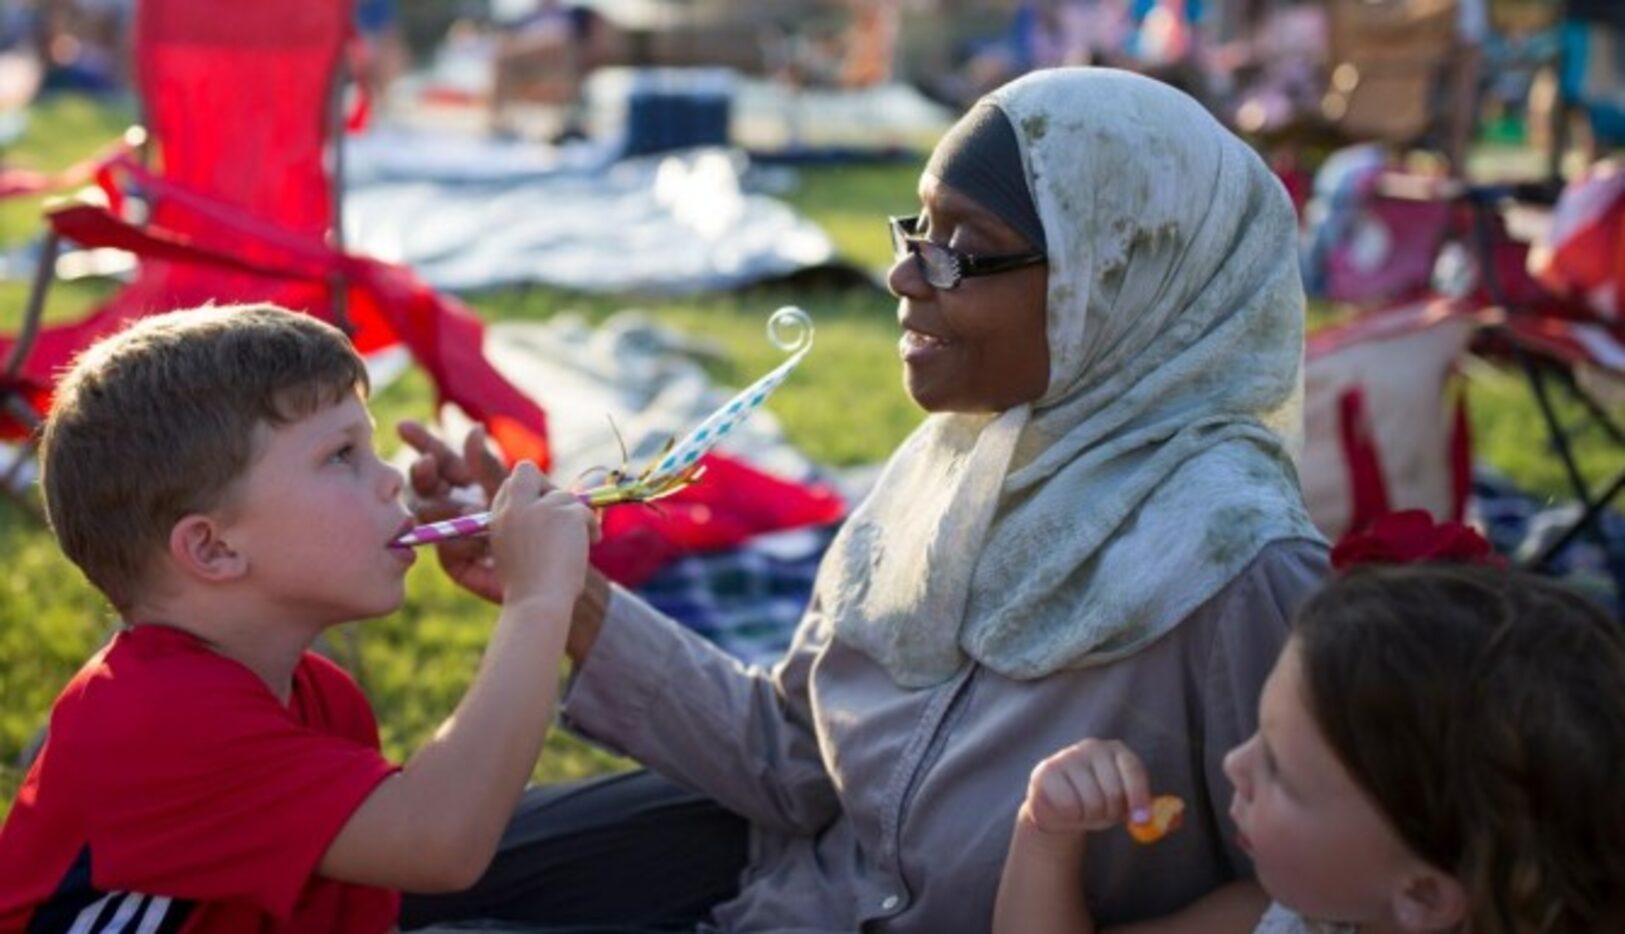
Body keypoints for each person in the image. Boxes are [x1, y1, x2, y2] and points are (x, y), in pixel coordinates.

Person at [400, 67, 1329, 932]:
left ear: (1117, 279)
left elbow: (1320, 889)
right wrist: (561, 588)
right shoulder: (953, 474)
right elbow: (795, 761)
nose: (903, 276)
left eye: (966, 253)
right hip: (787, 890)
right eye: (918, 231)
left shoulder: (1236, 564)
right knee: (378, 883)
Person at [0, 305, 601, 932]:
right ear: (213, 548)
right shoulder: (152, 719)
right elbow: (440, 842)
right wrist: (538, 600)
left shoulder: (322, 698)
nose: (392, 479)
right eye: (342, 455)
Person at [993, 561, 1625, 933]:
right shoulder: (1286, 915)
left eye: (1279, 771)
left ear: (1424, 896)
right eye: (1259, 738)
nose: (1233, 765)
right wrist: (1047, 837)